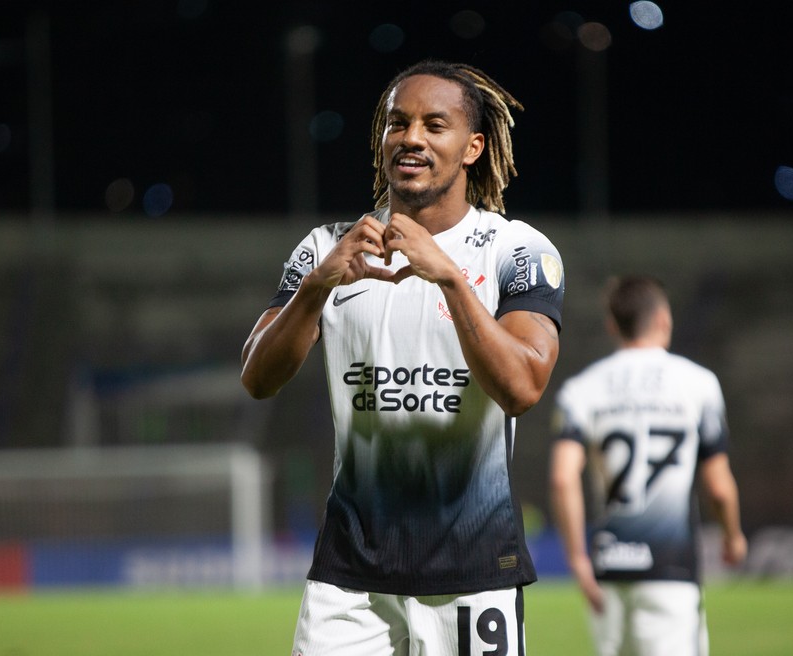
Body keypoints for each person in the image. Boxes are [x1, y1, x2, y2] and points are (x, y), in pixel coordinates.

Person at [242, 60, 565, 655]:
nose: (411, 137)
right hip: (348, 579)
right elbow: (257, 377)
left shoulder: (514, 248)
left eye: (434, 125)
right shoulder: (327, 247)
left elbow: (522, 387)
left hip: (472, 569)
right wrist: (317, 286)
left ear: (473, 147)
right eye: (398, 123)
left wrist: (450, 279)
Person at [549, 275, 747, 656]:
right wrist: (732, 536)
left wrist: (577, 559)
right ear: (663, 319)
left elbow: (562, 478)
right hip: (670, 571)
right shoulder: (699, 384)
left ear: (612, 325)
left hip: (609, 567)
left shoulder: (582, 389)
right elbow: (719, 487)